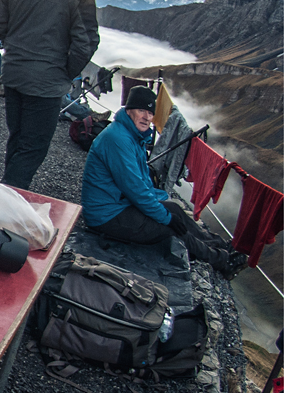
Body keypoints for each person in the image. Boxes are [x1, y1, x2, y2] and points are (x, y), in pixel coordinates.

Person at [81, 87, 247, 279]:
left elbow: (142, 183)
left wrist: (164, 206)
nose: (147, 117)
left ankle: (218, 244)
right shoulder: (118, 140)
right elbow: (136, 191)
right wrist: (165, 217)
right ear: (129, 110)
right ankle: (222, 261)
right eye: (141, 110)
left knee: (174, 209)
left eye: (151, 113)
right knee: (169, 228)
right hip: (105, 216)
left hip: (120, 205)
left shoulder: (132, 136)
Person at [0, 0, 99, 189]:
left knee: (18, 139)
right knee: (33, 147)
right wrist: (66, 72)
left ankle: (5, 194)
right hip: (48, 80)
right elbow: (87, 42)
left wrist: (18, 46)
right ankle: (6, 200)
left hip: (13, 73)